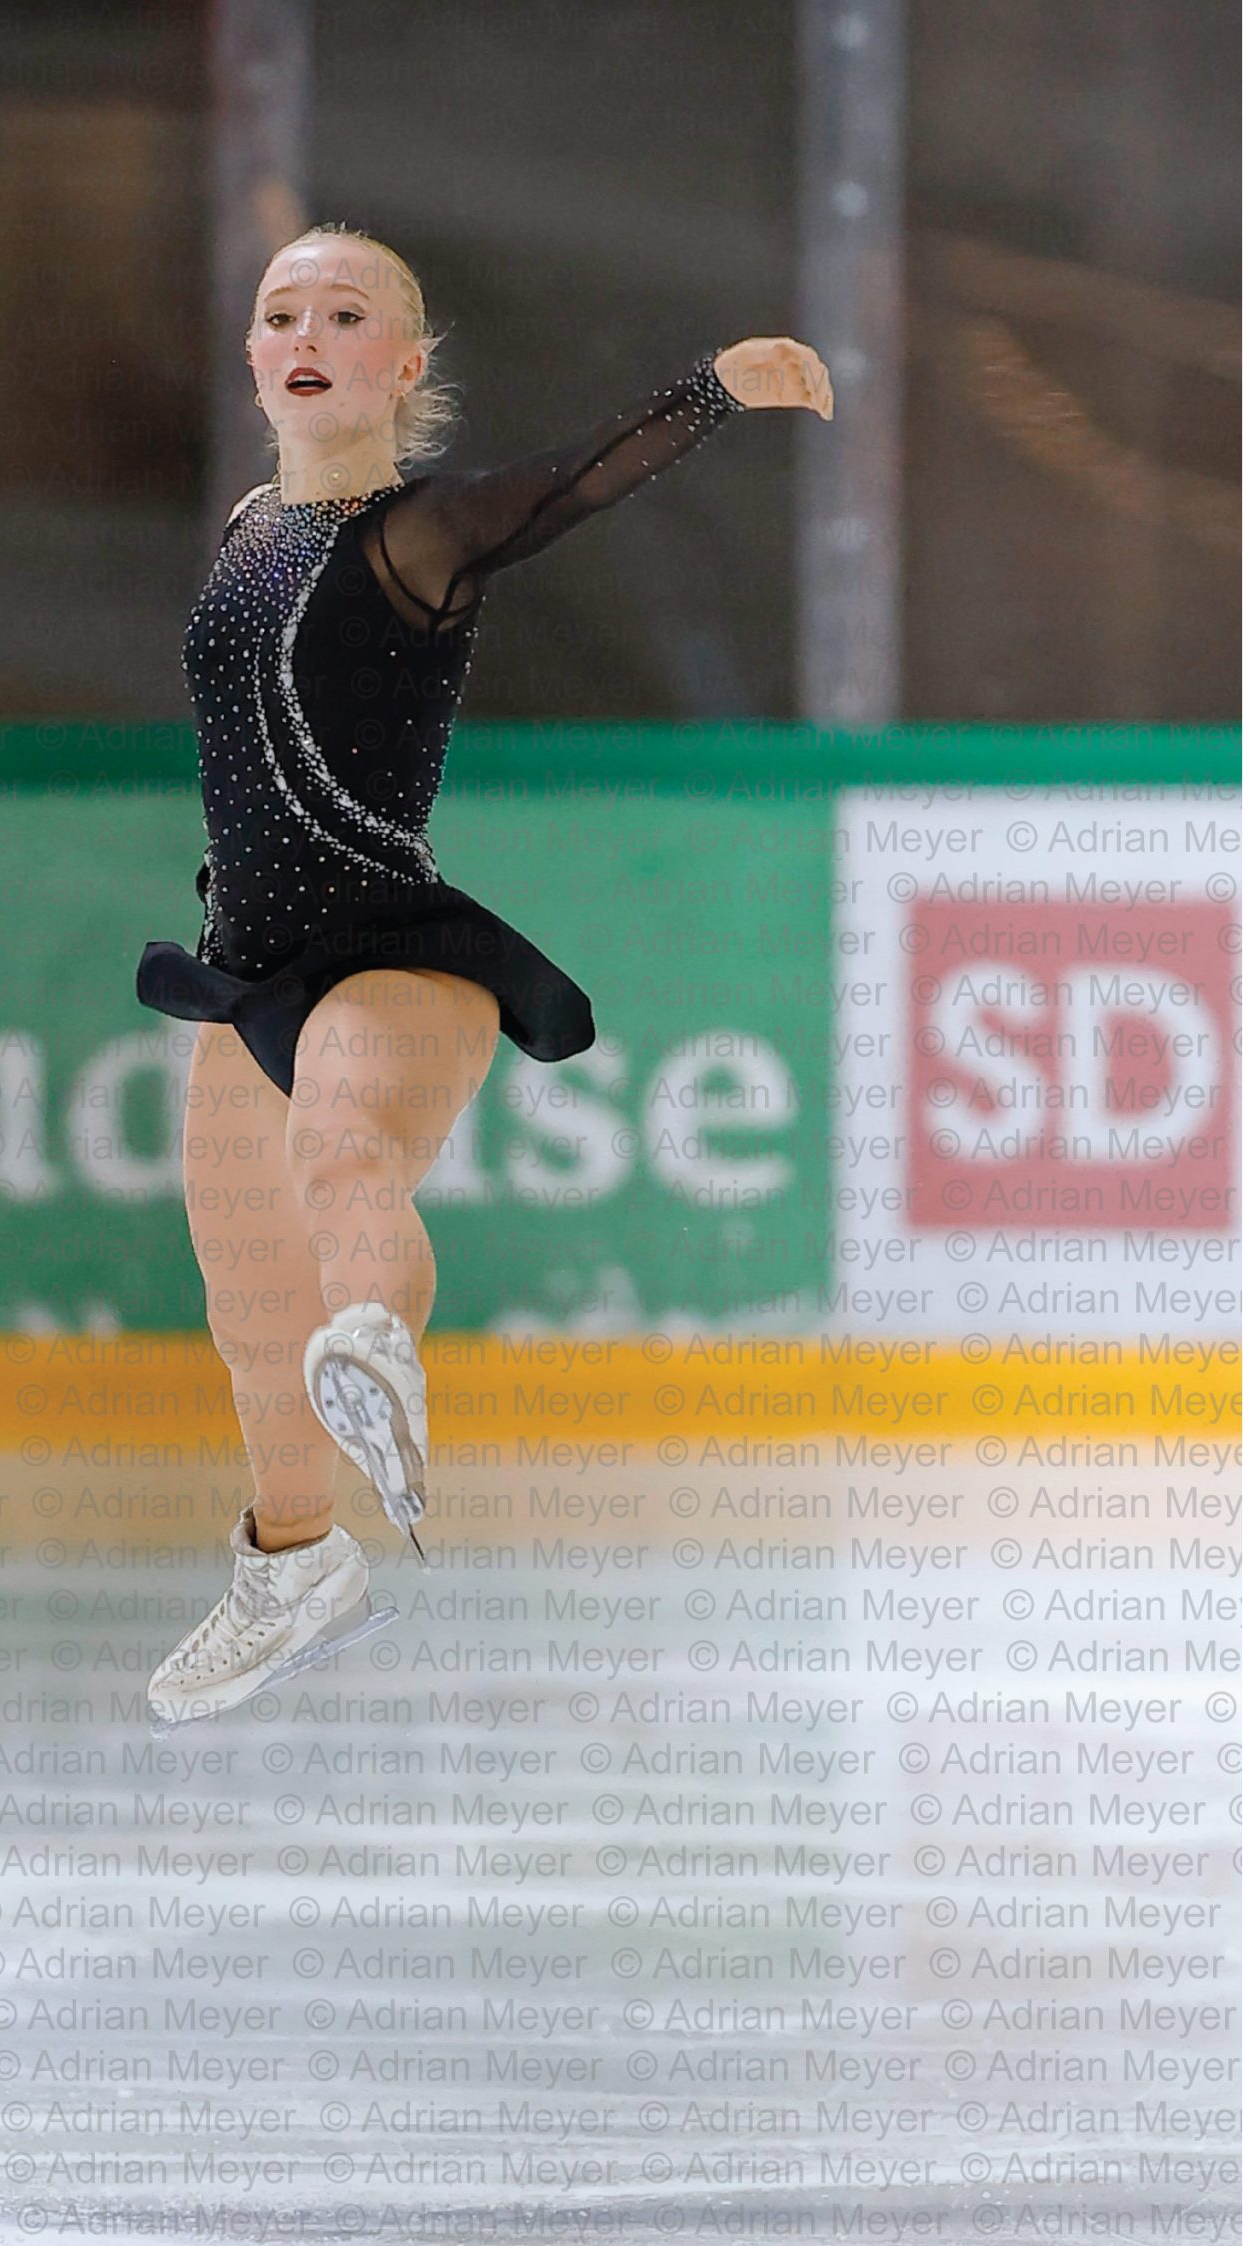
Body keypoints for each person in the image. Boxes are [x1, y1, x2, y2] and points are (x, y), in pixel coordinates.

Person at [137, 222, 832, 1723]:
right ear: (254, 356)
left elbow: (570, 486)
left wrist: (711, 387)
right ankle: (293, 1565)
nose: (308, 334)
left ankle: (377, 1354)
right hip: (243, 969)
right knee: (248, 1315)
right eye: (281, 313)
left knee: (343, 1159)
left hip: (387, 950)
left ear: (404, 366)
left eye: (346, 314)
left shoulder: (419, 535)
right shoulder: (249, 526)